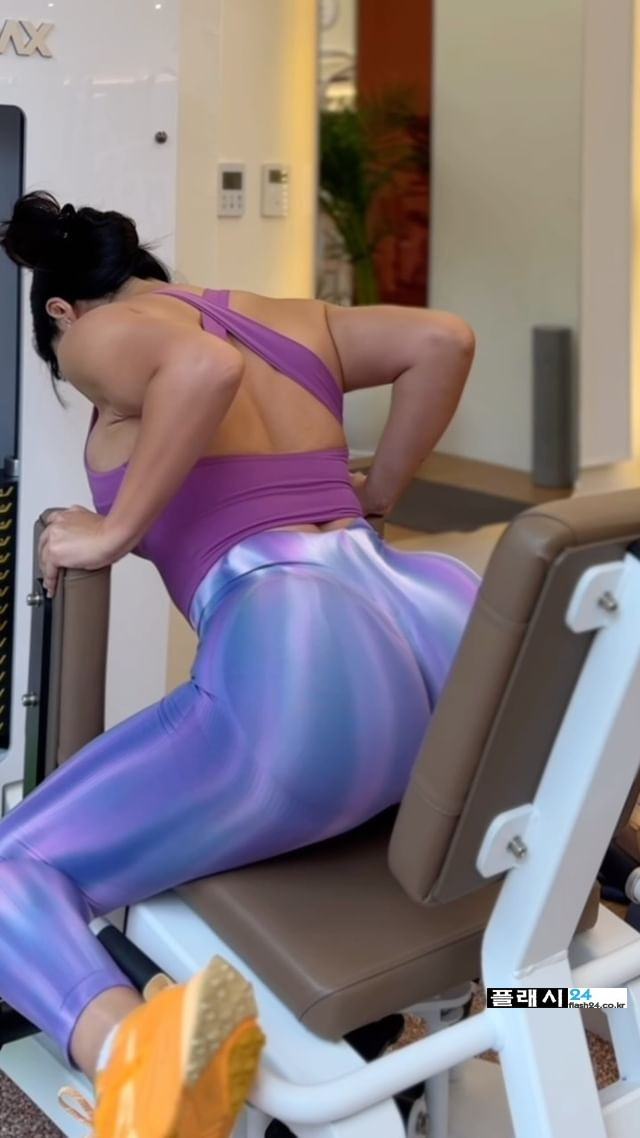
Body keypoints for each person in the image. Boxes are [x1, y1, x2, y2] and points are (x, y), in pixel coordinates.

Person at [0, 192, 477, 1138]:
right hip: (437, 627)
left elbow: (201, 366)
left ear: (61, 309)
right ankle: (411, 1025)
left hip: (308, 662)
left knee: (16, 866)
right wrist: (379, 492)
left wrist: (111, 532)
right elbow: (444, 341)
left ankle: (150, 1071)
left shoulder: (98, 329)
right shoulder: (289, 319)